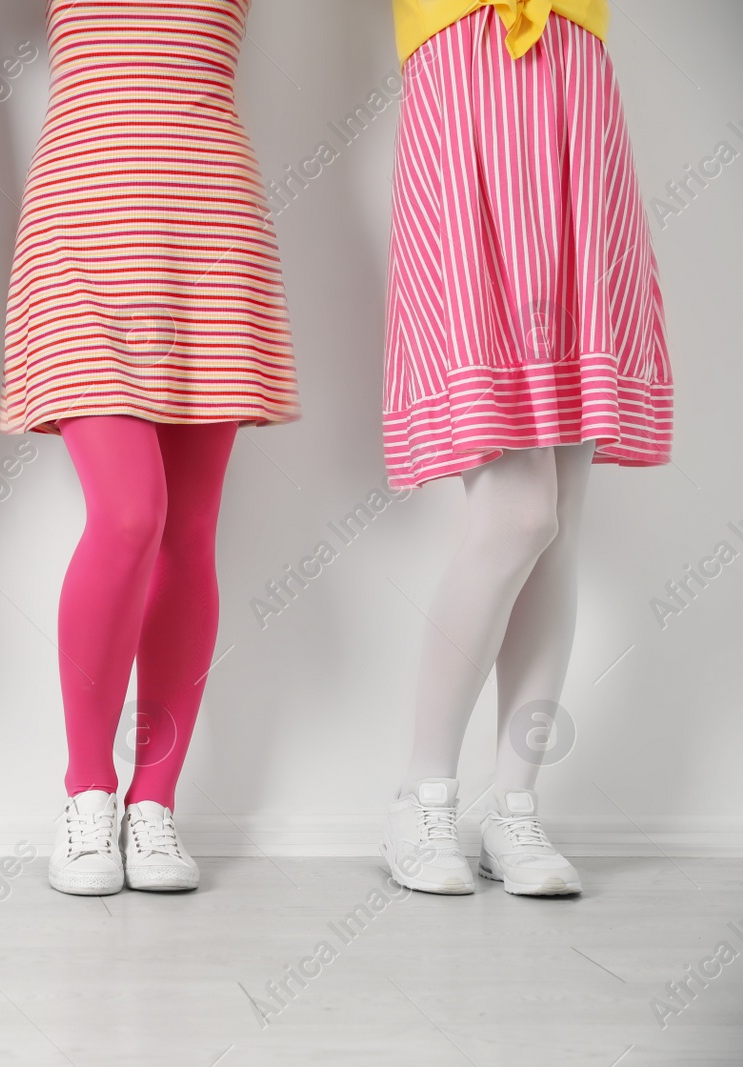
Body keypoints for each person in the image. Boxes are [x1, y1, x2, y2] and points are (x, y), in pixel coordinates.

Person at [0, 0, 301, 896]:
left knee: (188, 532)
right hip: (83, 228)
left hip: (211, 233)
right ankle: (87, 789)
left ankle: (154, 803)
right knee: (131, 513)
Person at [378, 0, 672, 896]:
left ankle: (514, 807)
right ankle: (420, 795)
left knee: (561, 521)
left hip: (576, 93)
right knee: (519, 511)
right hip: (465, 83)